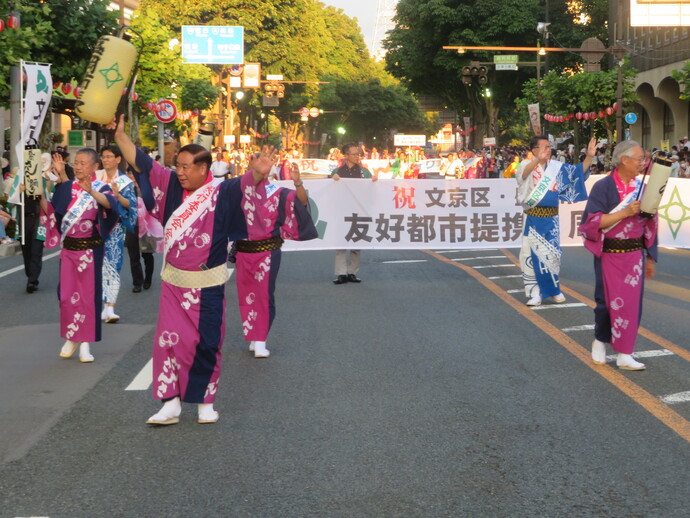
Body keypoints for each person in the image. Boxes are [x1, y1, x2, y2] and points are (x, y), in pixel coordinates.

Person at [111, 115, 313, 425]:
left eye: (186, 166)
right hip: (174, 284)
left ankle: (205, 402)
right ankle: (171, 403)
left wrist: (258, 174)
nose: (179, 171)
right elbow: (136, 158)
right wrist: (120, 134)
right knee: (169, 341)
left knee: (205, 342)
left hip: (207, 284)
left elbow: (248, 182)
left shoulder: (222, 191)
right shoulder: (168, 184)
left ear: (203, 169)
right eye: (177, 165)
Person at [579, 141, 658, 370]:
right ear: (624, 160)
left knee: (632, 305)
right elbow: (592, 222)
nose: (642, 164)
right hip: (609, 253)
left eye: (643, 159)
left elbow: (651, 223)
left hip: (634, 255)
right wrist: (625, 212)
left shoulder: (643, 189)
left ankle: (625, 353)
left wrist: (650, 257)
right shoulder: (603, 187)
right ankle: (601, 340)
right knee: (605, 301)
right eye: (638, 159)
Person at [230, 159, 317, 358]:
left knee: (264, 295)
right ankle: (254, 337)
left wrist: (297, 183)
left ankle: (261, 340)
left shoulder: (278, 193)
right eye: (254, 164)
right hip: (244, 251)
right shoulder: (238, 191)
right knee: (247, 296)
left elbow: (301, 203)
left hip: (267, 252)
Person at [39, 149, 118, 363]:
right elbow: (52, 213)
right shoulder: (65, 188)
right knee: (65, 296)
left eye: (83, 163)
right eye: (76, 162)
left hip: (90, 251)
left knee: (87, 298)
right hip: (69, 251)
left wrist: (91, 192)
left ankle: (85, 344)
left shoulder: (101, 188)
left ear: (94, 167)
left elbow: (111, 206)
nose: (78, 166)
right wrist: (38, 194)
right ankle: (72, 337)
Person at [516, 135, 596, 306]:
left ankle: (553, 290)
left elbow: (577, 173)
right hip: (532, 216)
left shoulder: (557, 167)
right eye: (544, 147)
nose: (548, 149)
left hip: (552, 218)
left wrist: (589, 156)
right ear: (534, 150)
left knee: (551, 255)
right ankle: (535, 292)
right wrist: (537, 160)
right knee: (530, 254)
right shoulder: (525, 164)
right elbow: (523, 175)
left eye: (548, 146)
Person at [96, 146, 138, 323]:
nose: (106, 160)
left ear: (118, 159)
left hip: (115, 228)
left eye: (109, 156)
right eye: (103, 157)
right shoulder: (95, 178)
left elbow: (132, 205)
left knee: (113, 265)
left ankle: (110, 307)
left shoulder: (125, 182)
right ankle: (98, 306)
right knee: (97, 267)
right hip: (95, 227)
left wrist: (118, 197)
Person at [330, 142, 377, 285]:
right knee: (341, 243)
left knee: (356, 243)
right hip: (341, 210)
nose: (357, 156)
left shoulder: (364, 172)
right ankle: (341, 273)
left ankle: (352, 272)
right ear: (346, 155)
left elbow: (372, 190)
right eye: (354, 154)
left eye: (359, 154)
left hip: (358, 211)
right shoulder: (337, 172)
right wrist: (333, 180)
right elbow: (328, 190)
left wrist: (374, 181)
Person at [124, 168, 161, 293]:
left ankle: (148, 279)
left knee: (147, 255)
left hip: (146, 226)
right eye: (130, 173)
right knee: (133, 257)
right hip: (132, 226)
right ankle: (137, 282)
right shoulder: (125, 189)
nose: (132, 176)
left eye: (134, 174)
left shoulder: (147, 188)